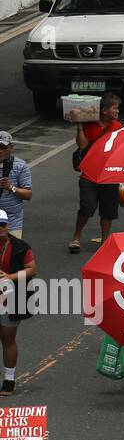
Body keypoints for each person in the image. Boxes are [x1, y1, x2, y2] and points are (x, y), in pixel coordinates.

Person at [69, 93, 122, 254]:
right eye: (115, 108)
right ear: (104, 110)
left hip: (109, 175)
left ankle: (105, 240)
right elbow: (82, 145)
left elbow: (120, 150)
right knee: (87, 207)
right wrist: (79, 126)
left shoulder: (118, 127)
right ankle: (76, 237)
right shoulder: (88, 124)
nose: (117, 111)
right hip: (89, 175)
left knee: (108, 210)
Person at [0, 211, 34, 394]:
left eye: (2, 225)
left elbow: (31, 270)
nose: (0, 229)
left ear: (7, 226)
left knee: (7, 338)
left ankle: (9, 380)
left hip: (11, 298)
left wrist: (10, 277)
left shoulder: (20, 246)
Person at [0, 134, 31, 240]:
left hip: (12, 222)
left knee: (11, 255)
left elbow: (28, 195)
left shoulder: (20, 166)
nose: (0, 151)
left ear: (11, 147)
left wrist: (11, 187)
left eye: (3, 147)